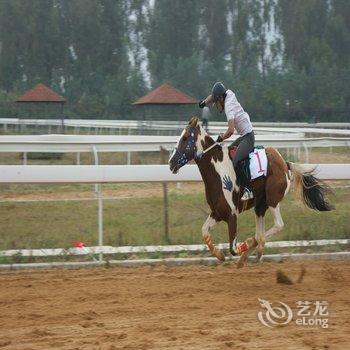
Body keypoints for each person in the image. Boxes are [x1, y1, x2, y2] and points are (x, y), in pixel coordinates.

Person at [199, 82, 255, 200]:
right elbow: (213, 95)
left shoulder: (229, 107)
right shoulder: (227, 93)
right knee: (228, 153)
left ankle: (248, 189)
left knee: (235, 161)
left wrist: (221, 137)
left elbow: (230, 130)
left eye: (215, 102)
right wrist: (204, 102)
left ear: (220, 98)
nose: (215, 105)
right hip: (244, 136)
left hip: (248, 138)